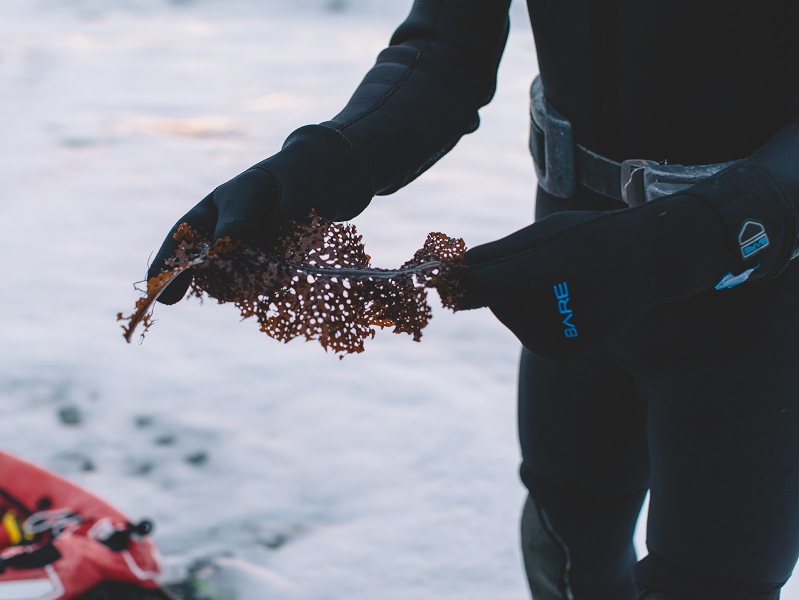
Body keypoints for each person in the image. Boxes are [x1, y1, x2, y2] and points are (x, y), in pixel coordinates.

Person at [148, 2, 799, 598]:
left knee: (709, 581)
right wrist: (316, 168)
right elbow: (443, 49)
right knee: (566, 534)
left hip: (757, 310)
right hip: (571, 271)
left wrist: (688, 237)